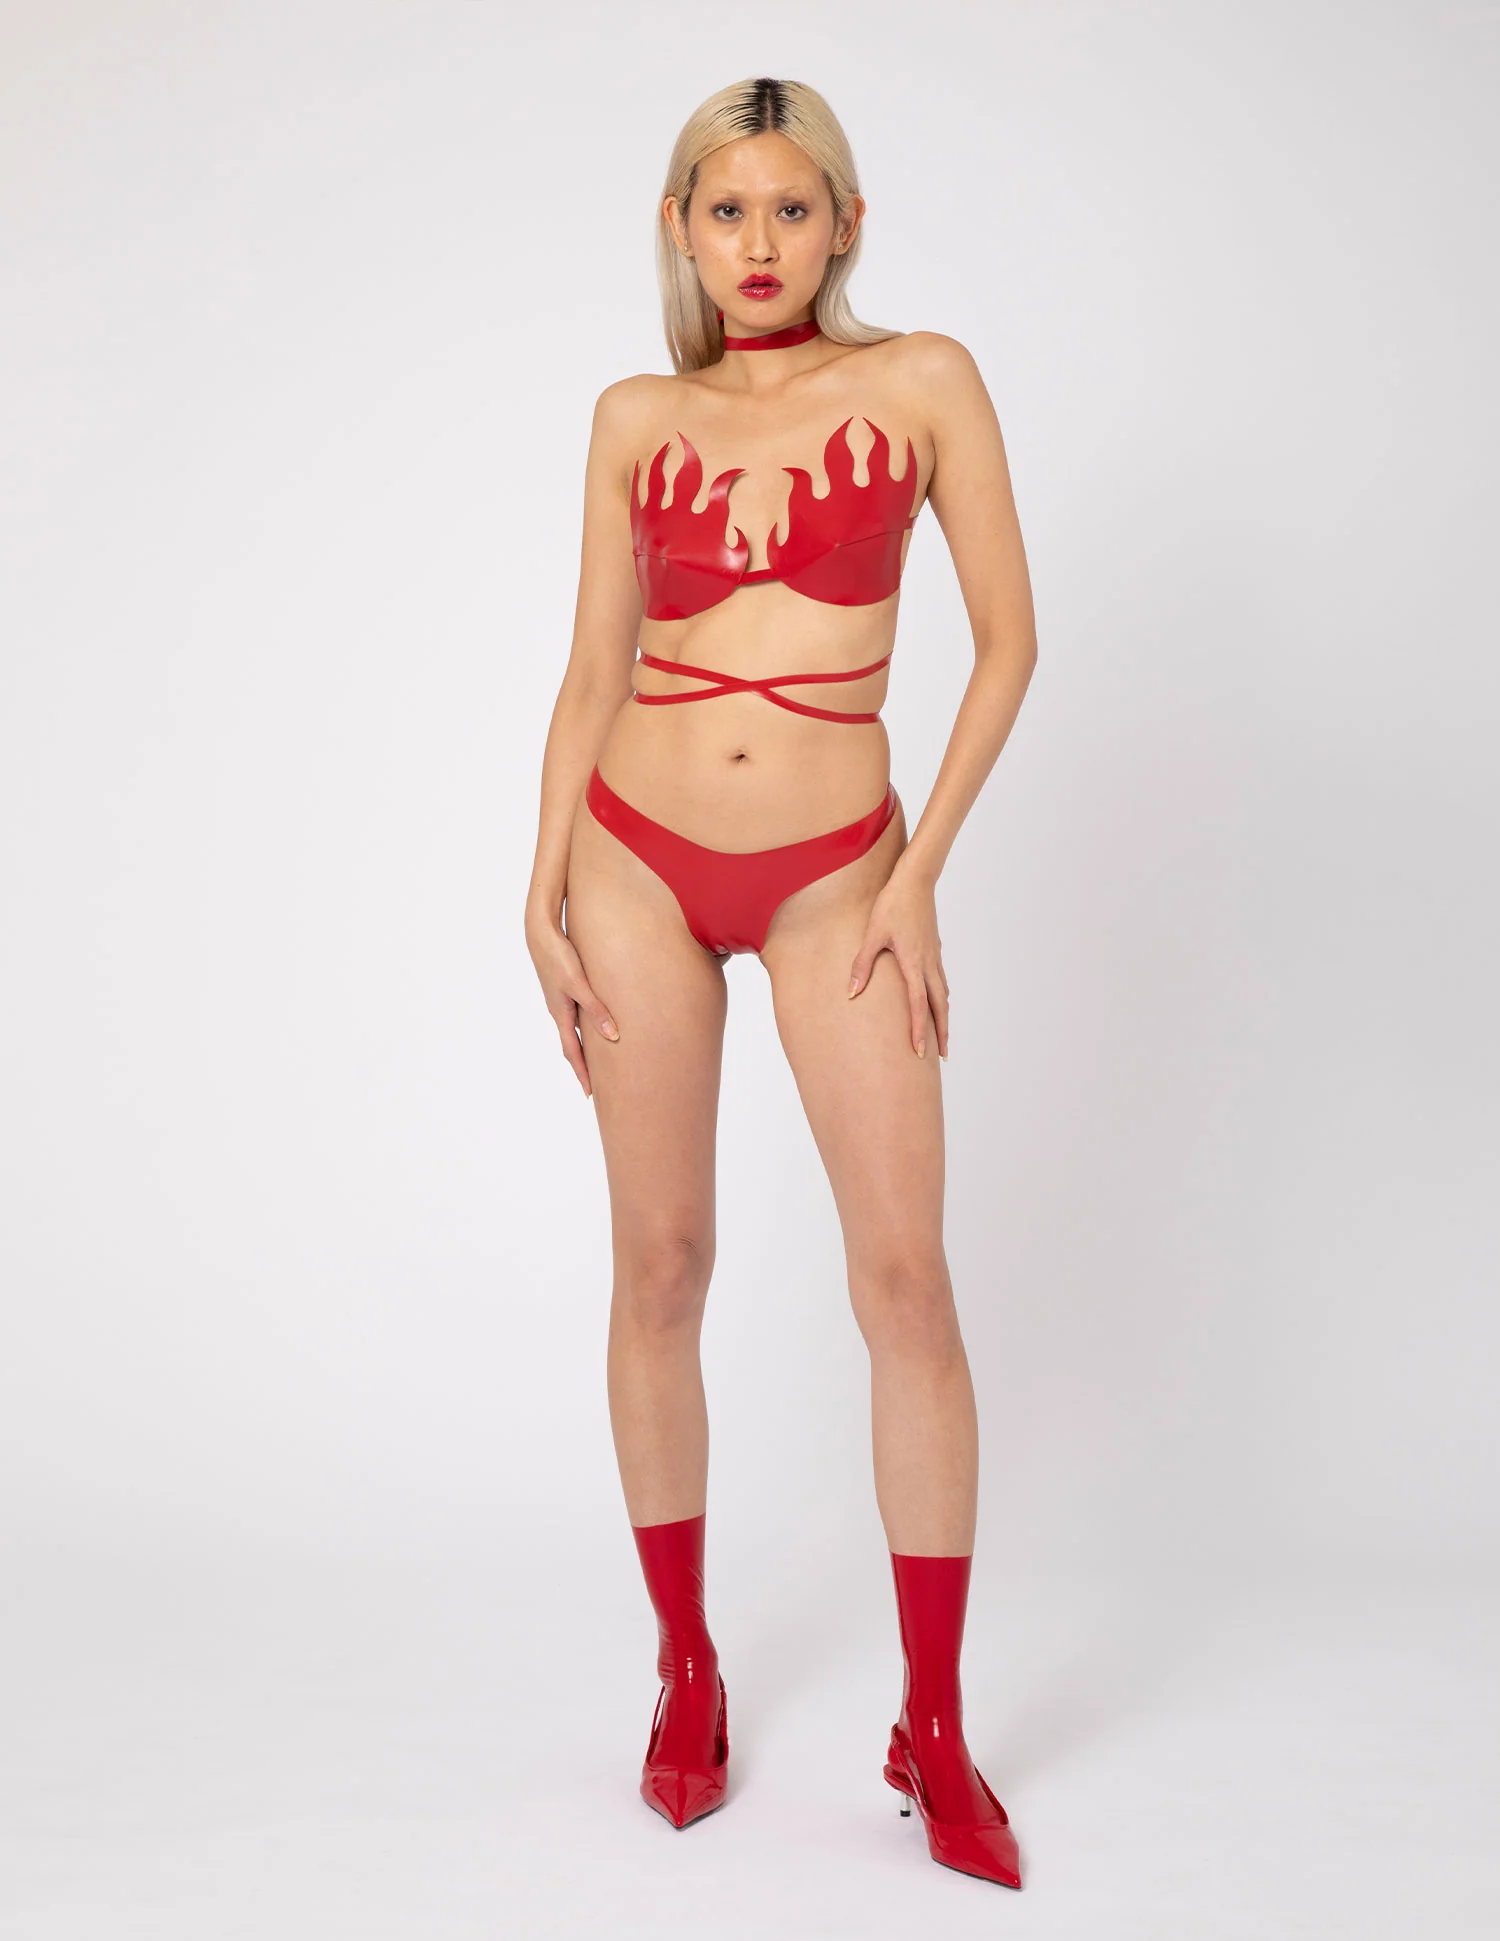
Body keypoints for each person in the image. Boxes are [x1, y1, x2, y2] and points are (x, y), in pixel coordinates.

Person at [525, 75, 1037, 1889]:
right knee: (662, 1265)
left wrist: (919, 872)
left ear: (847, 225)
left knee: (906, 1279)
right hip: (633, 861)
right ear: (680, 227)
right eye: (725, 210)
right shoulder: (634, 415)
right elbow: (593, 670)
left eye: (791, 210)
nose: (758, 244)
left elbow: (1009, 644)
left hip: (841, 877)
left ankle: (935, 1723)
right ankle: (686, 1664)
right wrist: (537, 889)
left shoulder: (925, 382)